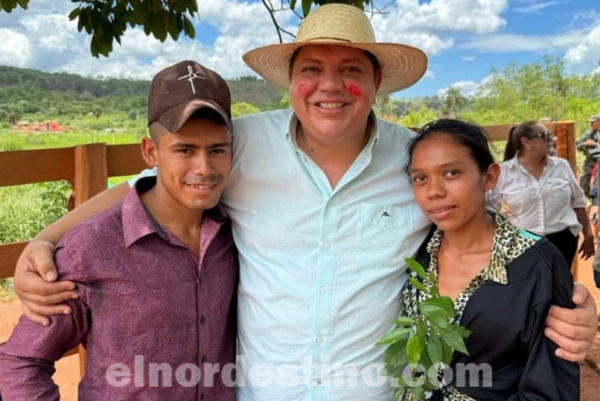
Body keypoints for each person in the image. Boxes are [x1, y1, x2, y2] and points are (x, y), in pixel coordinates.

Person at [10, 4, 598, 400]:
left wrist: (568, 306)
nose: (329, 85)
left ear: (375, 83)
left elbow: (480, 223)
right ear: (289, 81)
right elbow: (145, 187)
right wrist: (43, 240)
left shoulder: (411, 161)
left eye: (350, 70)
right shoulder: (243, 147)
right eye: (311, 68)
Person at [0, 60, 237, 400]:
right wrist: (45, 239)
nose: (204, 168)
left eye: (217, 150)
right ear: (150, 151)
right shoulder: (93, 246)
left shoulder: (232, 234)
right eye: (185, 150)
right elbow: (20, 361)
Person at [398, 119, 579, 400]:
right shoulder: (416, 254)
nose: (433, 191)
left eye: (451, 173)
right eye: (420, 178)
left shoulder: (535, 264)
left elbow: (551, 387)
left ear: (489, 177)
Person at [490, 120, 595, 267]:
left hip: (563, 241)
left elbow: (577, 202)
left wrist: (588, 233)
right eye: (545, 136)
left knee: (561, 286)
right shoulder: (504, 173)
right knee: (529, 288)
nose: (551, 140)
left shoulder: (561, 166)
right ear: (526, 142)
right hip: (523, 244)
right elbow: (488, 209)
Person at [576, 114, 600, 200]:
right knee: (584, 183)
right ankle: (593, 200)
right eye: (591, 123)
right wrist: (585, 144)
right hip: (590, 161)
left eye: (593, 122)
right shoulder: (588, 134)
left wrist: (596, 144)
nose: (591, 124)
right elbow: (577, 144)